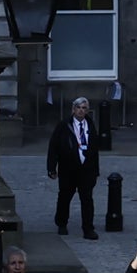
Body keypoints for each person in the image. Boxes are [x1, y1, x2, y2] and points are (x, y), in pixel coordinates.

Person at [46, 96, 104, 242]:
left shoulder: (90, 125)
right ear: (73, 109)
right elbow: (53, 147)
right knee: (65, 197)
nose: (81, 111)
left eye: (84, 108)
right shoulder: (64, 125)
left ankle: (88, 228)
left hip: (86, 169)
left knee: (87, 199)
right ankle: (62, 223)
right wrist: (52, 168)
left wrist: (95, 171)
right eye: (78, 108)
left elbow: (94, 150)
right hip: (68, 168)